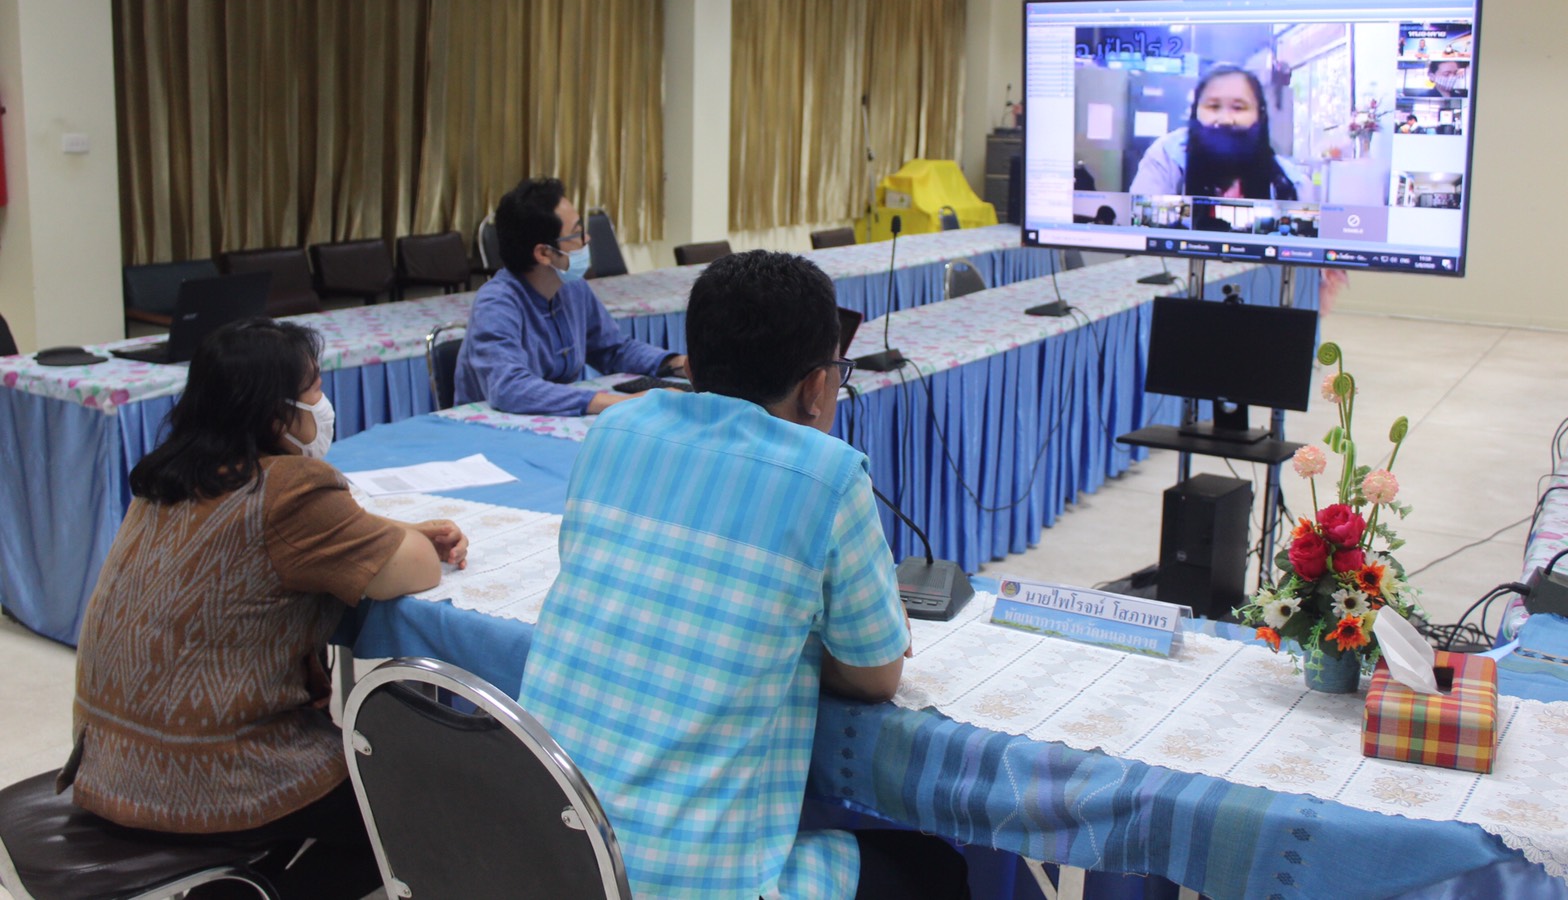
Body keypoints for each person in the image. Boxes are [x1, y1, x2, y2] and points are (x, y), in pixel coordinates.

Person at [518, 251, 970, 899]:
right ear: (818, 387)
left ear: (693, 366)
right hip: (693, 882)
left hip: (553, 851)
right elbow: (877, 676)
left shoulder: (615, 429)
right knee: (934, 871)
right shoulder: (827, 475)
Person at [63, 317, 469, 900]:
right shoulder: (292, 489)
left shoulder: (171, 476)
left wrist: (372, 533)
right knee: (423, 806)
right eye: (314, 393)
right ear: (277, 415)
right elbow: (419, 569)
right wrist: (391, 538)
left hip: (110, 762)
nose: (323, 406)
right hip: (211, 775)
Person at [454, 176, 685, 415]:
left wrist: (677, 364)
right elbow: (509, 387)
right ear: (544, 253)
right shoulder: (496, 303)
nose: (587, 239)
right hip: (488, 432)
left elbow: (613, 349)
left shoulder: (572, 288)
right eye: (577, 233)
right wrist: (614, 403)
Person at [1129, 64, 1310, 202]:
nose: (1225, 119)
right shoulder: (1166, 158)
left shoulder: (1291, 185)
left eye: (1239, 108)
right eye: (1213, 106)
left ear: (1259, 115)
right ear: (1195, 111)